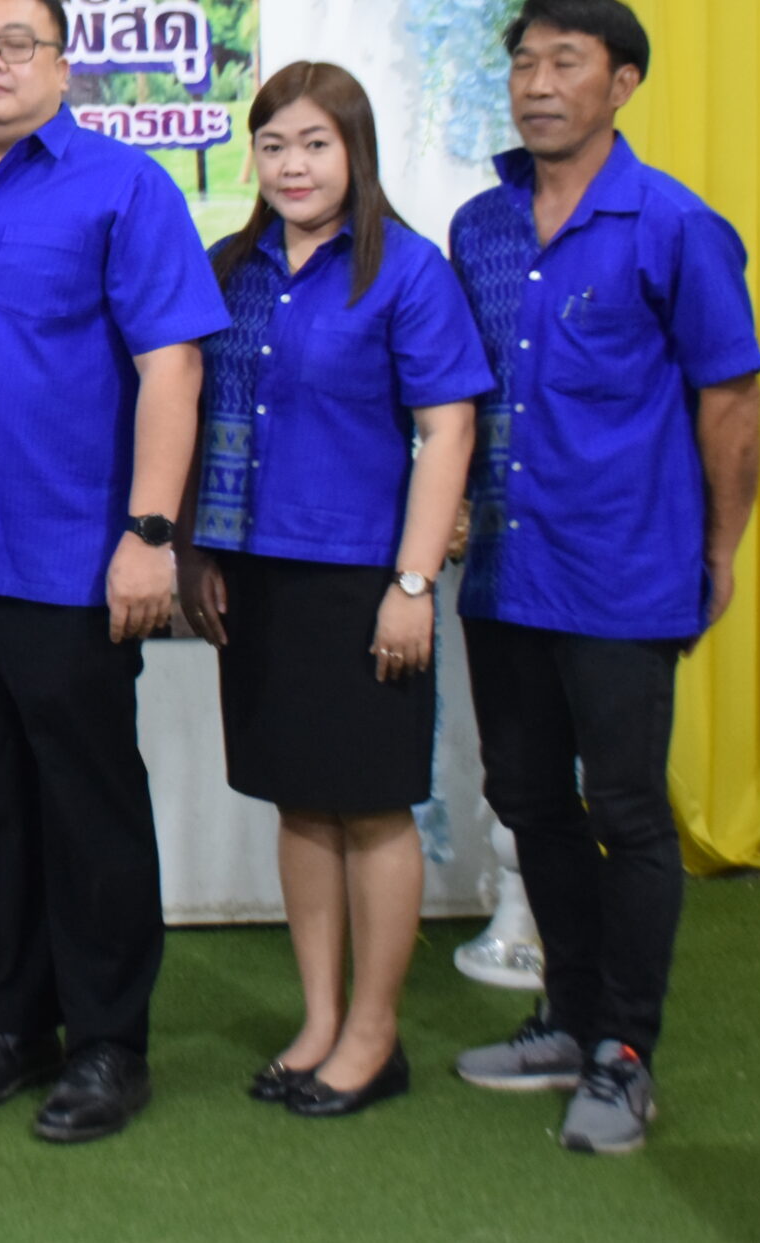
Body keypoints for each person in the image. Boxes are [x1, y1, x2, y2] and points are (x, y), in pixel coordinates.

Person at [0, 0, 226, 1144]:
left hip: (74, 564)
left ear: (62, 65)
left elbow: (173, 365)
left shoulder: (124, 188)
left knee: (88, 808)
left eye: (16, 43)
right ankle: (9, 1027)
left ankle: (110, 1044)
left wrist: (150, 535)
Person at [446, 0, 760, 1155]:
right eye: (522, 62)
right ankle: (567, 1017)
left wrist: (718, 553)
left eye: (563, 63)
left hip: (625, 567)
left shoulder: (675, 225)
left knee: (626, 810)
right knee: (525, 797)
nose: (536, 83)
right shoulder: (478, 224)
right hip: (503, 574)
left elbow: (729, 401)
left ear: (620, 82)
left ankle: (626, 1052)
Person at [174, 62, 491, 1118]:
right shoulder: (230, 268)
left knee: (370, 807)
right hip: (254, 576)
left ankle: (373, 1033)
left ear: (353, 150)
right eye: (272, 146)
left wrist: (411, 583)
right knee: (299, 803)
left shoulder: (404, 270)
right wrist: (200, 553)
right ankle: (317, 1019)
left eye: (314, 143)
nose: (292, 165)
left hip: (363, 578)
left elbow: (448, 427)